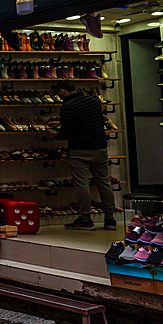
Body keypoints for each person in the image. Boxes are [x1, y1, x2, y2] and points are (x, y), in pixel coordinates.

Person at [50, 80, 116, 230]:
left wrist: (55, 135)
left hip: (79, 149)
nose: (59, 97)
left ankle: (86, 219)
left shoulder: (68, 106)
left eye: (59, 94)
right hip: (99, 147)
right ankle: (110, 219)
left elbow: (67, 132)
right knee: (104, 183)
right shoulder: (93, 101)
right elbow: (89, 121)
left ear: (63, 91)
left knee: (82, 184)